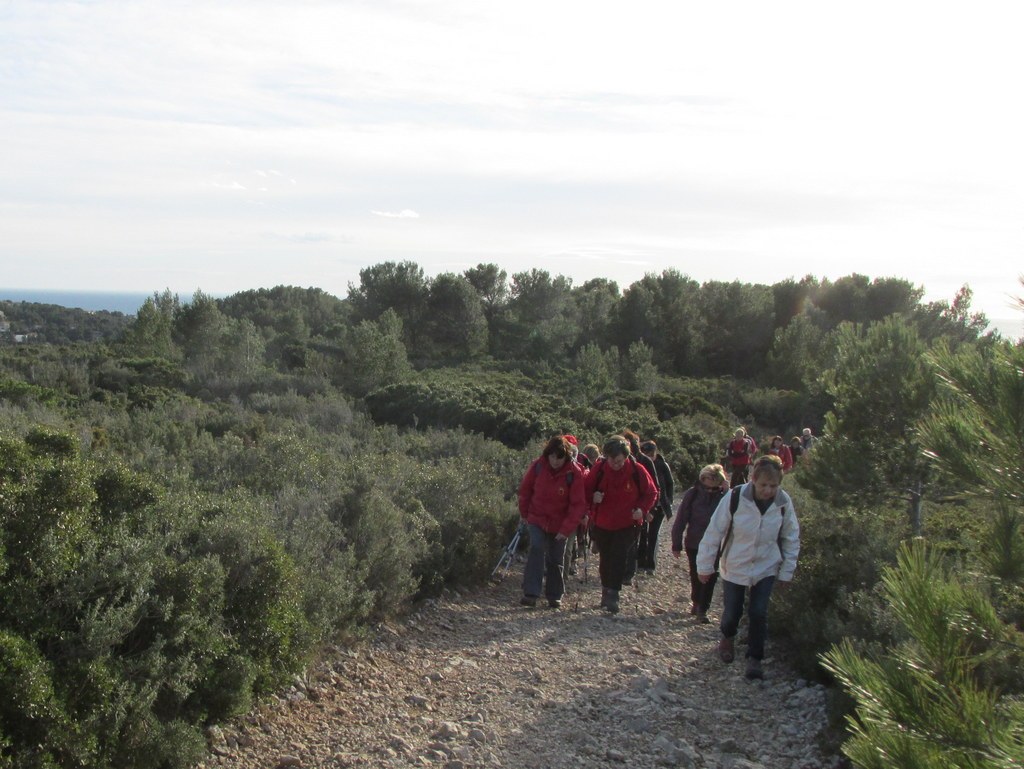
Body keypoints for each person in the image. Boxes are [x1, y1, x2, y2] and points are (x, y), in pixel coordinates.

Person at [696, 454, 800, 680]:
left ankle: (755, 658)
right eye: (763, 485)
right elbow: (714, 531)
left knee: (759, 612)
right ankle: (728, 637)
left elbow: (791, 537)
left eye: (773, 486)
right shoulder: (735, 498)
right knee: (732, 611)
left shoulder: (783, 503)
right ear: (753, 479)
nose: (768, 490)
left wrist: (786, 572)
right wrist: (705, 566)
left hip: (766, 565)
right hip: (735, 563)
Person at [585, 435, 658, 614]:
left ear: (626, 457)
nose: (616, 464)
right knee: (605, 557)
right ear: (606, 457)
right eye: (612, 460)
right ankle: (605, 588)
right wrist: (593, 498)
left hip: (627, 523)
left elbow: (651, 492)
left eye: (619, 461)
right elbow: (585, 490)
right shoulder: (599, 469)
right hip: (603, 521)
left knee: (619, 556)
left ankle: (613, 594)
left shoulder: (636, 470)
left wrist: (642, 509)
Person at [517, 435, 588, 609]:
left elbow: (577, 504)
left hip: (561, 523)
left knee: (556, 558)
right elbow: (525, 490)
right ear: (547, 454)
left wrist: (566, 529)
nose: (555, 461)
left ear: (566, 456)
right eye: (552, 456)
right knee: (536, 549)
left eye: (559, 457)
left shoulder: (574, 473)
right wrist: (524, 513)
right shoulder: (538, 466)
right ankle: (531, 593)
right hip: (537, 518)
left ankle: (554, 595)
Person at [671, 464, 729, 623]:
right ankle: (696, 601)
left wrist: (727, 491)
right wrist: (676, 544)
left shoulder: (724, 496)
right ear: (702, 480)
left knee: (712, 575)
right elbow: (681, 519)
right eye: (707, 487)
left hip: (716, 544)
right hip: (694, 542)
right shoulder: (692, 494)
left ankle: (703, 608)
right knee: (696, 574)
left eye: (714, 488)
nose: (710, 491)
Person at [620, 430, 659, 585]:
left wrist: (649, 509)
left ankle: (628, 573)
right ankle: (621, 570)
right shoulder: (613, 462)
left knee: (633, 540)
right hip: (620, 509)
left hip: (637, 509)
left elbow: (654, 488)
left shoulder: (644, 463)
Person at [638, 440, 675, 574]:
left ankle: (651, 565)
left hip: (659, 506)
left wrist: (668, 501)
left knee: (653, 534)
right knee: (642, 533)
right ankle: (640, 562)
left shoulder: (662, 465)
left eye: (650, 453)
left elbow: (670, 484)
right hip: (645, 504)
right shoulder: (642, 465)